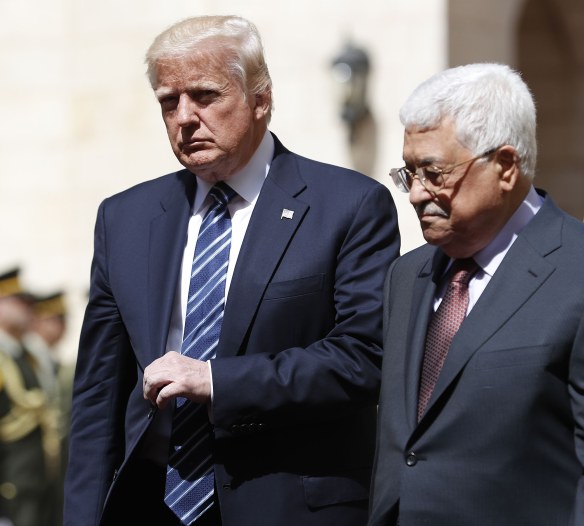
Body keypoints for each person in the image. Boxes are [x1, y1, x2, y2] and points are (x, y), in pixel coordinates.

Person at [63, 15, 400, 526]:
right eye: (168, 102)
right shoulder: (125, 218)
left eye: (204, 95)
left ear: (260, 99)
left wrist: (217, 380)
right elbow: (97, 395)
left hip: (287, 505)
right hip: (150, 505)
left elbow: (363, 358)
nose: (185, 117)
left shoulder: (349, 206)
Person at [369, 63, 584, 526]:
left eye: (433, 172)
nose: (415, 194)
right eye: (408, 173)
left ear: (506, 167)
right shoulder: (406, 276)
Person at [0, 268, 54, 526]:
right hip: (11, 487)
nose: (27, 310)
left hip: (34, 482)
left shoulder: (23, 355)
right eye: (19, 302)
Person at [25, 291, 69, 526]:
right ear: (37, 321)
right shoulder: (30, 354)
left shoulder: (49, 357)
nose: (62, 326)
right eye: (56, 319)